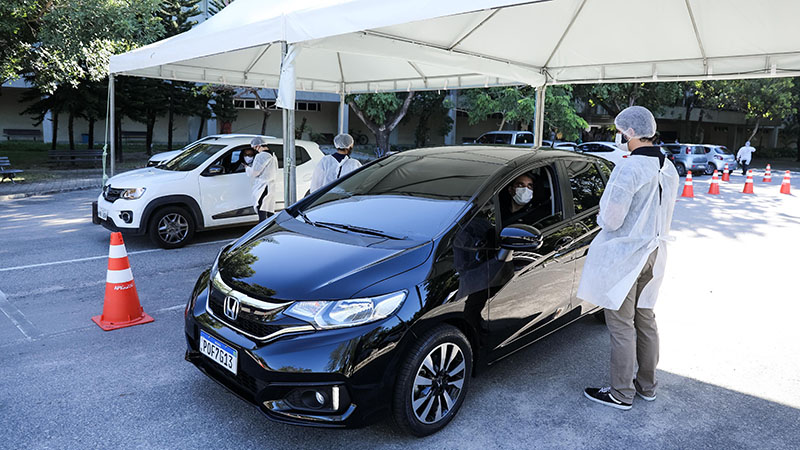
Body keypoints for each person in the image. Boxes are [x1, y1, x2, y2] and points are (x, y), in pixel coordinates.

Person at [577, 106, 679, 410]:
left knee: (621, 324)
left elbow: (611, 218)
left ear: (630, 132)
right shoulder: (667, 166)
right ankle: (648, 386)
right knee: (645, 318)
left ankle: (621, 393)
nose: (620, 136)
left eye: (622, 131)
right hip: (656, 252)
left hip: (628, 255)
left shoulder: (630, 167)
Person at [245, 137, 278, 221]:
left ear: (258, 146)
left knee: (261, 208)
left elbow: (255, 172)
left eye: (254, 148)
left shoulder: (262, 156)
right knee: (269, 209)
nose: (255, 150)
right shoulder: (273, 155)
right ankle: (273, 229)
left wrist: (247, 168)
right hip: (271, 186)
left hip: (263, 186)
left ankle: (262, 230)